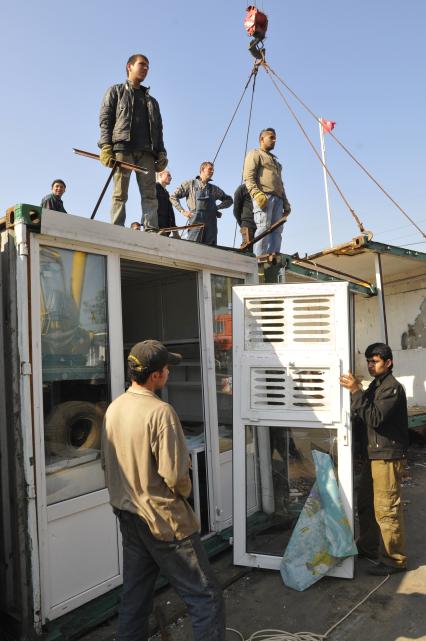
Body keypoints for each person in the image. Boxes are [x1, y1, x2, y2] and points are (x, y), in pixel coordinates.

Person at [102, 340, 225, 641]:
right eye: (167, 367)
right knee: (206, 597)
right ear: (156, 375)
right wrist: (187, 485)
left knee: (135, 597)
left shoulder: (114, 408)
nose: (169, 371)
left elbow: (107, 464)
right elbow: (174, 477)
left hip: (130, 515)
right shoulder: (161, 412)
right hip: (163, 521)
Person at [339, 342, 409, 576]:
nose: (371, 365)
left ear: (388, 363)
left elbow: (375, 417)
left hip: (387, 457)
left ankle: (394, 560)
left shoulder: (392, 388)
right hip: (372, 455)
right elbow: (361, 415)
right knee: (366, 504)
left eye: (375, 361)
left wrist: (356, 391)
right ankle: (368, 547)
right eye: (369, 361)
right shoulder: (376, 386)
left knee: (386, 508)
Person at [98, 54, 168, 230]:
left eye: (148, 66)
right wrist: (106, 146)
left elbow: (158, 129)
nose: (145, 68)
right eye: (142, 64)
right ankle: (116, 228)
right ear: (129, 66)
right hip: (123, 148)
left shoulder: (152, 101)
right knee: (120, 193)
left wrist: (161, 152)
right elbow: (106, 120)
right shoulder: (115, 91)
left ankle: (152, 229)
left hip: (147, 153)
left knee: (150, 195)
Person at [243, 128, 291, 256]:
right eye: (271, 137)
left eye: (275, 138)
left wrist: (286, 203)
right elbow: (248, 177)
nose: (274, 140)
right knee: (263, 228)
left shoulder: (275, 161)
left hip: (278, 199)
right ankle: (259, 260)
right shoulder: (255, 153)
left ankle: (273, 261)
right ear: (262, 139)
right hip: (264, 196)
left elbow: (280, 183)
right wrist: (257, 194)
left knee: (277, 231)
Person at [170, 162, 232, 246]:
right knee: (192, 248)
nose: (212, 171)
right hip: (196, 223)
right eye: (210, 169)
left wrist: (217, 207)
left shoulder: (214, 189)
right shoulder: (190, 184)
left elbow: (229, 200)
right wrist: (182, 211)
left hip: (211, 226)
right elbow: (173, 196)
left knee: (211, 251)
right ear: (202, 170)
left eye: (213, 170)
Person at [156, 169, 179, 237]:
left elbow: (170, 212)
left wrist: (174, 228)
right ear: (160, 175)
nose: (171, 178)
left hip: (166, 230)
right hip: (156, 229)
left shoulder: (166, 193)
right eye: (168, 175)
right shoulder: (154, 188)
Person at [233, 183, 255, 248]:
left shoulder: (265, 188)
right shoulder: (242, 189)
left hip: (263, 226)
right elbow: (236, 210)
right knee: (248, 250)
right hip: (248, 224)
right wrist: (243, 225)